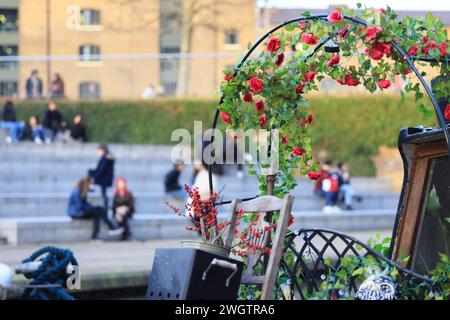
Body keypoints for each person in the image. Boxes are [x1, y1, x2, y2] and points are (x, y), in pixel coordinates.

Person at [88, 144, 115, 211]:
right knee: (103, 193)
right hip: (105, 178)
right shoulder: (107, 158)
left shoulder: (105, 158)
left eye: (99, 151)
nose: (98, 152)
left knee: (104, 193)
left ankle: (105, 207)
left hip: (104, 178)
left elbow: (101, 170)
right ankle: (105, 206)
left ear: (102, 150)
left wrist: (95, 176)